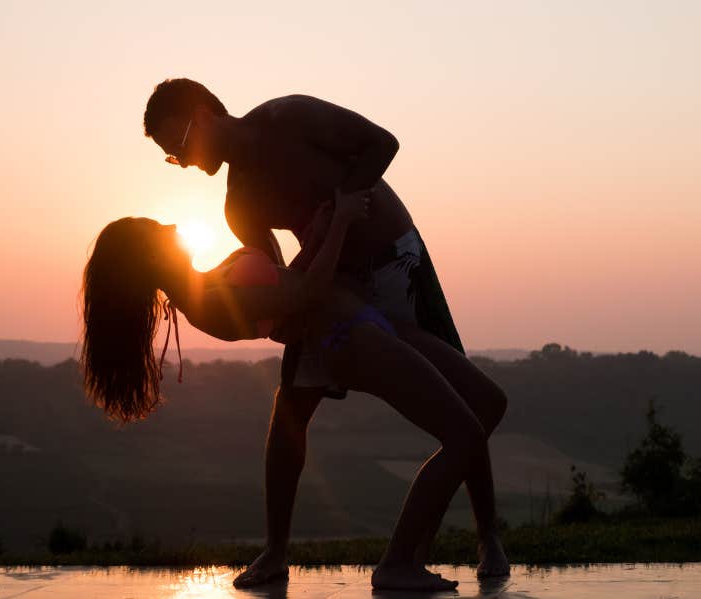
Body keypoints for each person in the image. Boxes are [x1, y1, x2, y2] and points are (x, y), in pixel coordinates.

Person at [141, 78, 509, 587]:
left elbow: (382, 143)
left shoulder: (288, 117)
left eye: (178, 145)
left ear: (203, 114)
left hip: (394, 264)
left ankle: (487, 534)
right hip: (335, 293)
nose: (183, 163)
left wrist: (341, 204)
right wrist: (321, 252)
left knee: (464, 400)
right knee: (290, 406)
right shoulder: (237, 205)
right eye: (172, 158)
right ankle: (275, 551)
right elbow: (279, 288)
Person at [82, 193, 492, 590]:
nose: (173, 225)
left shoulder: (207, 282)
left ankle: (417, 547)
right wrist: (343, 221)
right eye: (161, 230)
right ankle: (399, 562)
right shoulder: (206, 303)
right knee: (465, 437)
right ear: (151, 259)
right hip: (349, 338)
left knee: (490, 401)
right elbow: (304, 295)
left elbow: (285, 283)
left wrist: (314, 239)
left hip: (363, 318)